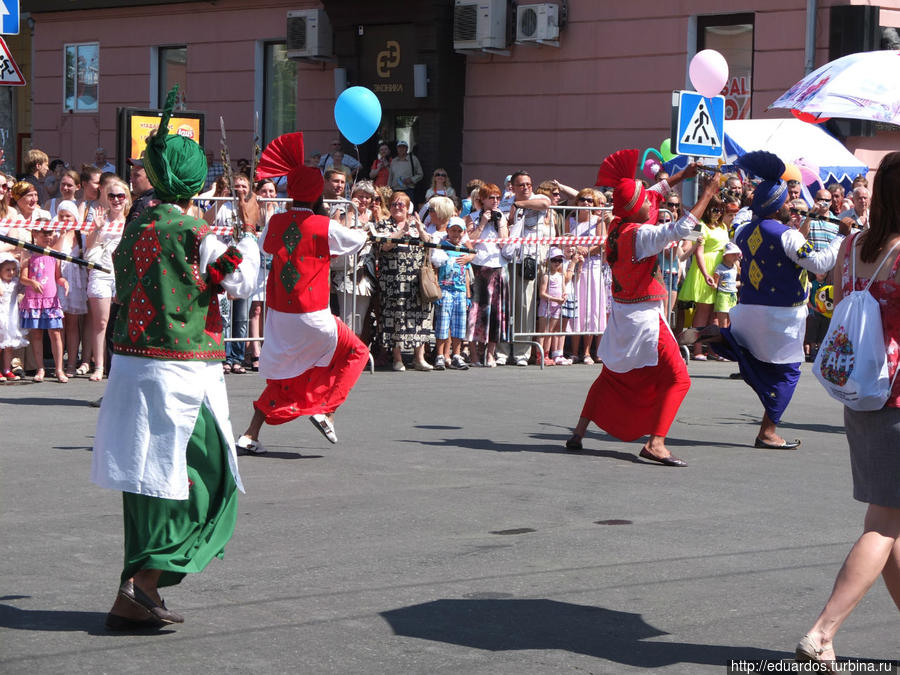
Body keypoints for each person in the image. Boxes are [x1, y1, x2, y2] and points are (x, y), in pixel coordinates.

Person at [91, 87, 260, 630]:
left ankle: (134, 593)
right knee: (207, 479)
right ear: (196, 181)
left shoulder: (139, 222)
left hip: (132, 371)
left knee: (146, 482)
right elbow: (236, 281)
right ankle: (142, 584)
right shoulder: (190, 230)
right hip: (180, 374)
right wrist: (249, 233)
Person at [795, 151, 900, 667]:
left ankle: (826, 634)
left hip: (861, 393)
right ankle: (822, 631)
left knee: (892, 521)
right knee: (883, 523)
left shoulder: (849, 245)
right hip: (898, 395)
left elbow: (839, 301)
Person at [686, 151, 850, 449]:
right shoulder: (787, 235)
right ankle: (768, 431)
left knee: (752, 353)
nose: (792, 205)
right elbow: (818, 265)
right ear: (775, 205)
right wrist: (842, 237)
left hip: (747, 310)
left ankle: (719, 336)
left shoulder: (745, 229)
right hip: (782, 316)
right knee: (787, 374)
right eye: (787, 201)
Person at [567, 149, 710, 466]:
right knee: (679, 379)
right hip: (644, 317)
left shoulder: (618, 225)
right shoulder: (641, 235)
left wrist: (679, 177)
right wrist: (708, 193)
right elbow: (681, 229)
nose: (651, 202)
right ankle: (656, 443)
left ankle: (578, 432)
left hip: (620, 313)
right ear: (635, 209)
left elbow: (649, 192)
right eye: (644, 202)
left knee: (610, 376)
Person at [236, 131, 369, 452]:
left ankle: (250, 435)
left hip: (279, 317)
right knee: (358, 352)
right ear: (317, 193)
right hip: (313, 314)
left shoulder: (277, 223)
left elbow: (269, 245)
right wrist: (365, 226)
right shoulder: (325, 226)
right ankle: (327, 408)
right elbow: (357, 241)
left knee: (283, 379)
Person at [373, 190, 434, 371]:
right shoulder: (384, 225)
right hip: (393, 281)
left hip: (416, 280)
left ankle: (419, 358)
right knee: (396, 318)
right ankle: (397, 358)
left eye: (401, 205)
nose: (397, 207)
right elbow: (384, 245)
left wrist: (421, 230)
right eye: (394, 204)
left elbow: (429, 246)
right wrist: (402, 231)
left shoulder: (417, 225)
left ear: (408, 208)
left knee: (420, 317)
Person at [499, 170, 552, 366]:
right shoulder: (504, 203)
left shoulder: (537, 198)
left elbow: (546, 204)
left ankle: (522, 351)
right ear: (512, 187)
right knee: (506, 305)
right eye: (521, 185)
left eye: (529, 184)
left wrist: (518, 204)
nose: (526, 187)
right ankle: (502, 350)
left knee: (525, 306)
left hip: (528, 259)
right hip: (507, 257)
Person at [81, 178, 130, 381]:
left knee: (122, 322)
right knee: (101, 322)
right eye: (112, 196)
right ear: (106, 198)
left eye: (120, 196)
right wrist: (98, 227)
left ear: (126, 198)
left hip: (122, 274)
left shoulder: (131, 220)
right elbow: (88, 248)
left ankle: (119, 364)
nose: (116, 200)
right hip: (101, 271)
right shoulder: (100, 217)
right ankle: (99, 366)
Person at [677, 194, 729, 360]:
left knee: (717, 313)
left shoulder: (723, 227)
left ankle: (715, 349)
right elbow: (694, 251)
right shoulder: (698, 225)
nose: (718, 213)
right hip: (704, 269)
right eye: (715, 209)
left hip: (721, 270)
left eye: (721, 210)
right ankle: (698, 349)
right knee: (703, 311)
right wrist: (706, 274)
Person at [465, 183, 509, 368]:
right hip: (478, 267)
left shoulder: (502, 217)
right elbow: (470, 242)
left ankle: (490, 354)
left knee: (495, 313)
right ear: (482, 199)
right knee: (475, 312)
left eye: (497, 198)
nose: (495, 201)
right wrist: (482, 222)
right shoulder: (471, 217)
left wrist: (499, 223)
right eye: (491, 197)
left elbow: (503, 243)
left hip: (497, 267)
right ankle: (474, 354)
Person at [20, 228, 69, 382]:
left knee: (55, 333)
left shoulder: (55, 255)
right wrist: (32, 282)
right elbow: (23, 278)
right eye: (44, 233)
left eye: (50, 233)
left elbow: (58, 277)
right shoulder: (28, 254)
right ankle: (40, 368)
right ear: (35, 234)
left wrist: (64, 282)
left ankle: (59, 369)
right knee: (36, 334)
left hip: (50, 300)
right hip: (34, 300)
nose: (48, 237)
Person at [568, 188, 609, 364]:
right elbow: (565, 240)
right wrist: (576, 250)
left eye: (590, 201)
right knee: (577, 309)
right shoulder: (570, 220)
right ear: (577, 202)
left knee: (592, 309)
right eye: (583, 200)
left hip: (593, 267)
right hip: (574, 267)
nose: (586, 203)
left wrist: (586, 250)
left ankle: (586, 351)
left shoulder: (598, 220)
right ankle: (573, 351)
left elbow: (603, 243)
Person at [430, 217, 472, 371]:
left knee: (459, 325)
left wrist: (468, 295)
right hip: (445, 289)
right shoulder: (441, 247)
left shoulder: (464, 250)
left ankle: (456, 354)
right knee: (443, 323)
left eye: (459, 231)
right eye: (453, 230)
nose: (456, 233)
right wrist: (437, 289)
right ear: (447, 230)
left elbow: (466, 273)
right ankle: (440, 355)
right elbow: (435, 269)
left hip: (459, 291)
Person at [52, 200, 88, 376]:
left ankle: (72, 363)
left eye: (68, 216)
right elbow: (55, 253)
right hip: (61, 281)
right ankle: (60, 363)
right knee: (60, 323)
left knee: (73, 324)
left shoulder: (82, 236)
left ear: (75, 217)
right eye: (62, 216)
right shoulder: (56, 235)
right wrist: (61, 234)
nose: (65, 219)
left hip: (77, 282)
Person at [536, 247, 566, 367]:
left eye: (559, 260)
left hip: (556, 307)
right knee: (542, 332)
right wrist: (555, 299)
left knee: (550, 332)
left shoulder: (561, 276)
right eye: (554, 260)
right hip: (546, 307)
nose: (557, 263)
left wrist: (564, 297)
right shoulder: (546, 276)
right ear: (549, 261)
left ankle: (546, 355)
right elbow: (542, 293)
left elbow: (563, 290)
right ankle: (539, 356)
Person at [0, 253, 27, 381]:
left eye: (13, 269)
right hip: (1, 316)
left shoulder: (16, 282)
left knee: (9, 346)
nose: (11, 272)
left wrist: (21, 294)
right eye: (7, 270)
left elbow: (23, 287)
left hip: (11, 317)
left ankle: (6, 369)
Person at [713, 241, 741, 330]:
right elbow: (716, 284)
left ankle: (727, 341)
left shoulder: (735, 267)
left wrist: (740, 283)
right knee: (723, 324)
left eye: (737, 254)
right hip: (723, 295)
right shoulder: (719, 268)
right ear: (725, 255)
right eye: (733, 254)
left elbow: (734, 282)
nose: (736, 257)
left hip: (733, 295)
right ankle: (723, 341)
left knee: (730, 322)